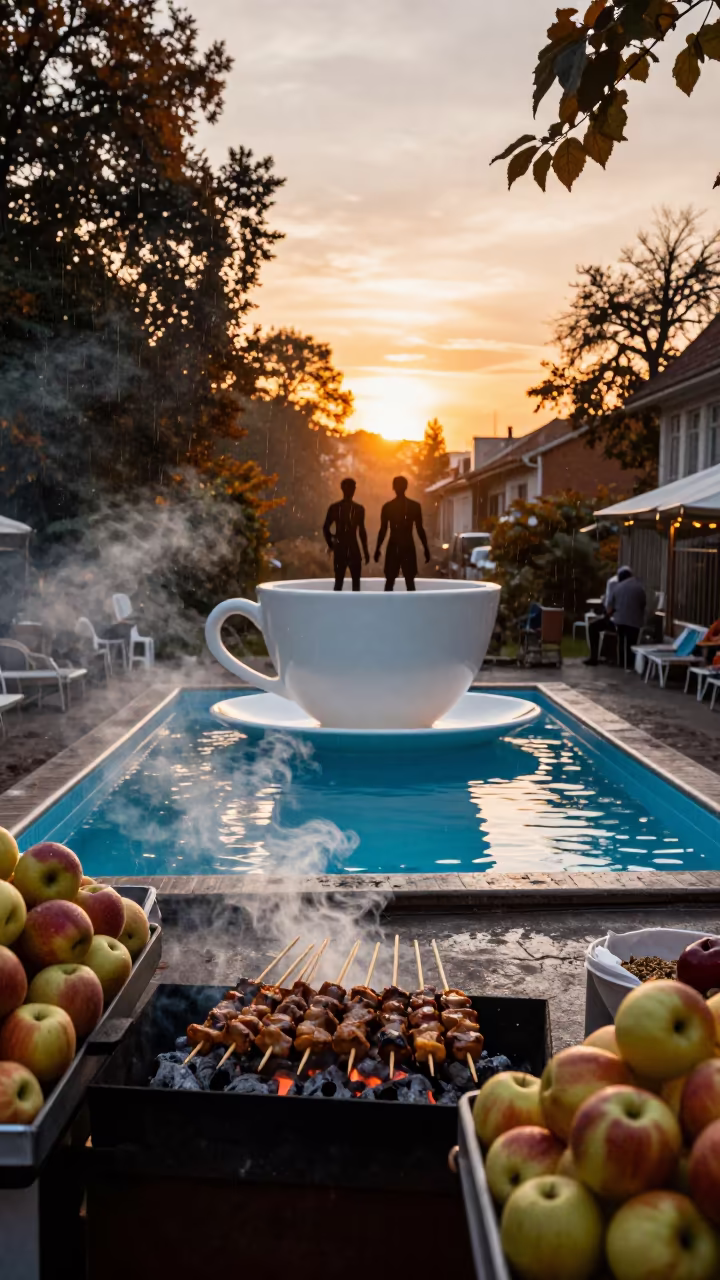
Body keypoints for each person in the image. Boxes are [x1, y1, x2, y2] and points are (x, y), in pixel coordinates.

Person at [373, 476, 430, 591]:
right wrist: (426, 548)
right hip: (407, 545)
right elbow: (419, 529)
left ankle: (387, 607)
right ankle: (411, 608)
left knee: (391, 581)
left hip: (394, 546)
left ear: (393, 487)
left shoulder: (388, 507)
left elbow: (383, 530)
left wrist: (377, 548)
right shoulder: (414, 506)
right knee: (408, 581)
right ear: (406, 487)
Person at [322, 477, 369, 591]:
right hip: (353, 548)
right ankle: (355, 608)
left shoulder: (335, 507)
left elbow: (325, 528)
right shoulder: (358, 509)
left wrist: (331, 544)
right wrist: (365, 551)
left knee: (339, 583)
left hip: (341, 548)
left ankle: (336, 608)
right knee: (354, 584)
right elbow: (362, 531)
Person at [605, 566, 647, 670]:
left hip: (620, 620)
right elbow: (643, 603)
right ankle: (631, 664)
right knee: (632, 643)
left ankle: (621, 662)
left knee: (621, 641)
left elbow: (610, 605)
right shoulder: (639, 587)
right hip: (635, 621)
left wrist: (610, 615)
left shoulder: (616, 587)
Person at [584, 570, 619, 666]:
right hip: (634, 624)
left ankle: (594, 657)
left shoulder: (613, 583)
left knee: (593, 627)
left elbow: (609, 605)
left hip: (617, 621)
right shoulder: (636, 586)